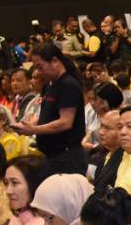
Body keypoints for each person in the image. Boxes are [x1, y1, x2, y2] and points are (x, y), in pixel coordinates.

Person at [14, 42, 87, 175]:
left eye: (40, 67)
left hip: (67, 156)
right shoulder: (49, 85)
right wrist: (29, 125)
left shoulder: (68, 84)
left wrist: (34, 130)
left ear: (54, 61)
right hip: (51, 155)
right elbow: (48, 116)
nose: (39, 72)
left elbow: (65, 122)